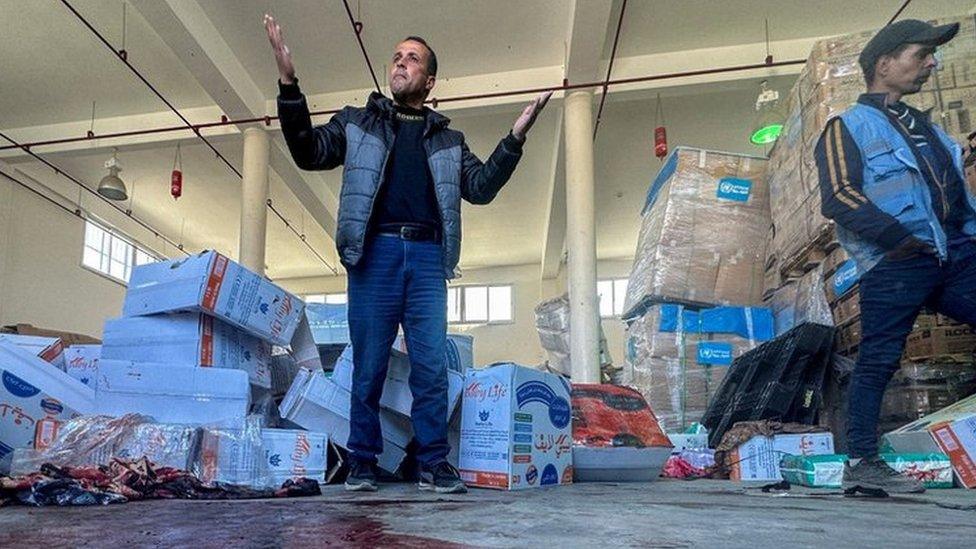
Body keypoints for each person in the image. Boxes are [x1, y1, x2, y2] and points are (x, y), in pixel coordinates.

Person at [265, 14, 551, 494]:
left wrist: (514, 138)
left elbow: (480, 189)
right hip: (373, 255)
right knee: (369, 364)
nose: (400, 63)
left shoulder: (448, 140)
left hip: (426, 261)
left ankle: (434, 464)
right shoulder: (356, 123)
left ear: (430, 80)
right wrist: (289, 85)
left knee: (431, 368)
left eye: (412, 58)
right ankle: (362, 462)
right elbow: (309, 151)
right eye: (396, 57)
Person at [815, 19, 976, 494]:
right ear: (884, 64)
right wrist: (899, 240)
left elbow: (949, 191)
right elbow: (839, 196)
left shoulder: (927, 127)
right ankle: (862, 460)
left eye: (932, 55)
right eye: (920, 54)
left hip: (956, 251)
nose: (931, 63)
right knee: (879, 359)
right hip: (897, 261)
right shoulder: (846, 126)